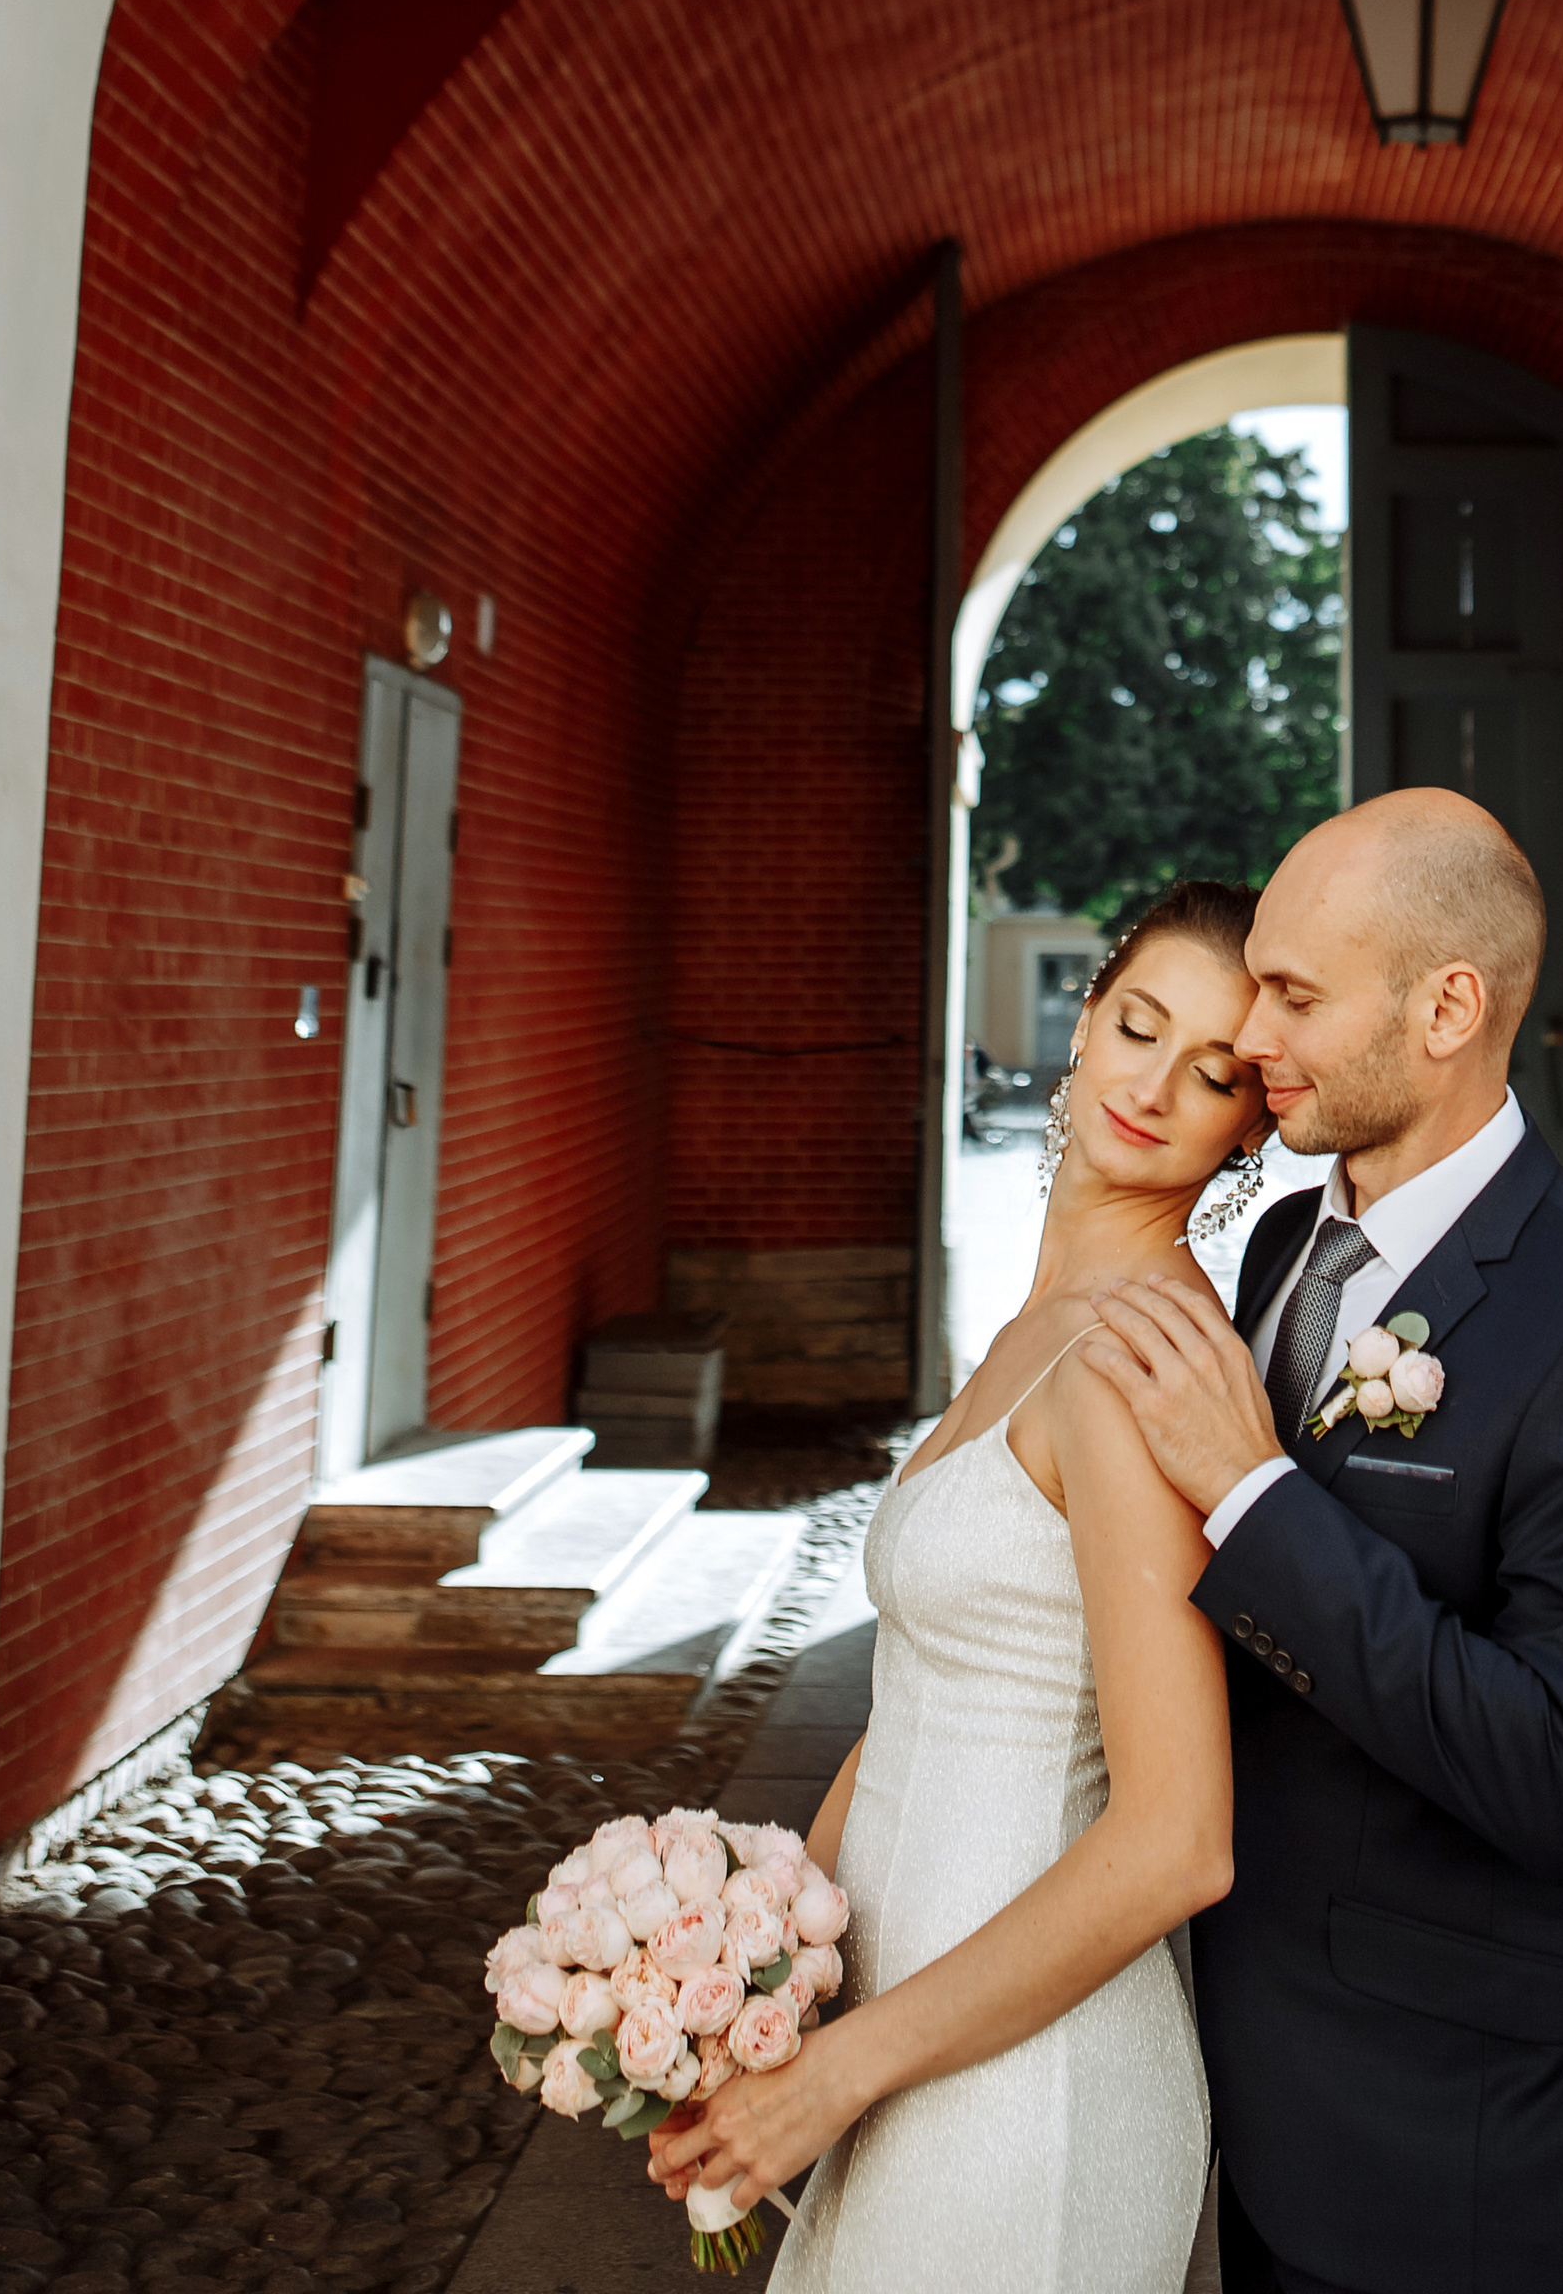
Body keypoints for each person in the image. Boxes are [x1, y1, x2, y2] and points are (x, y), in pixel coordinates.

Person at [1082, 788, 1563, 2294]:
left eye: (1296, 996)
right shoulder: (1272, 1247)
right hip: (1240, 2096)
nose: (1252, 1037)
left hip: (1465, 2158)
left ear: (1449, 1007)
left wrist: (1257, 1499)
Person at [650, 877, 1270, 2291]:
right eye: (1137, 1026)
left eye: (1215, 1072)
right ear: (1083, 1024)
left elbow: (1182, 1840)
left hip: (1027, 2091)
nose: (1155, 1086)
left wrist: (836, 2071)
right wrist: (752, 1990)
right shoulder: (1029, 1330)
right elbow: (912, 1710)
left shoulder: (1138, 1362)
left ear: (1253, 1124)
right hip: (897, 2041)